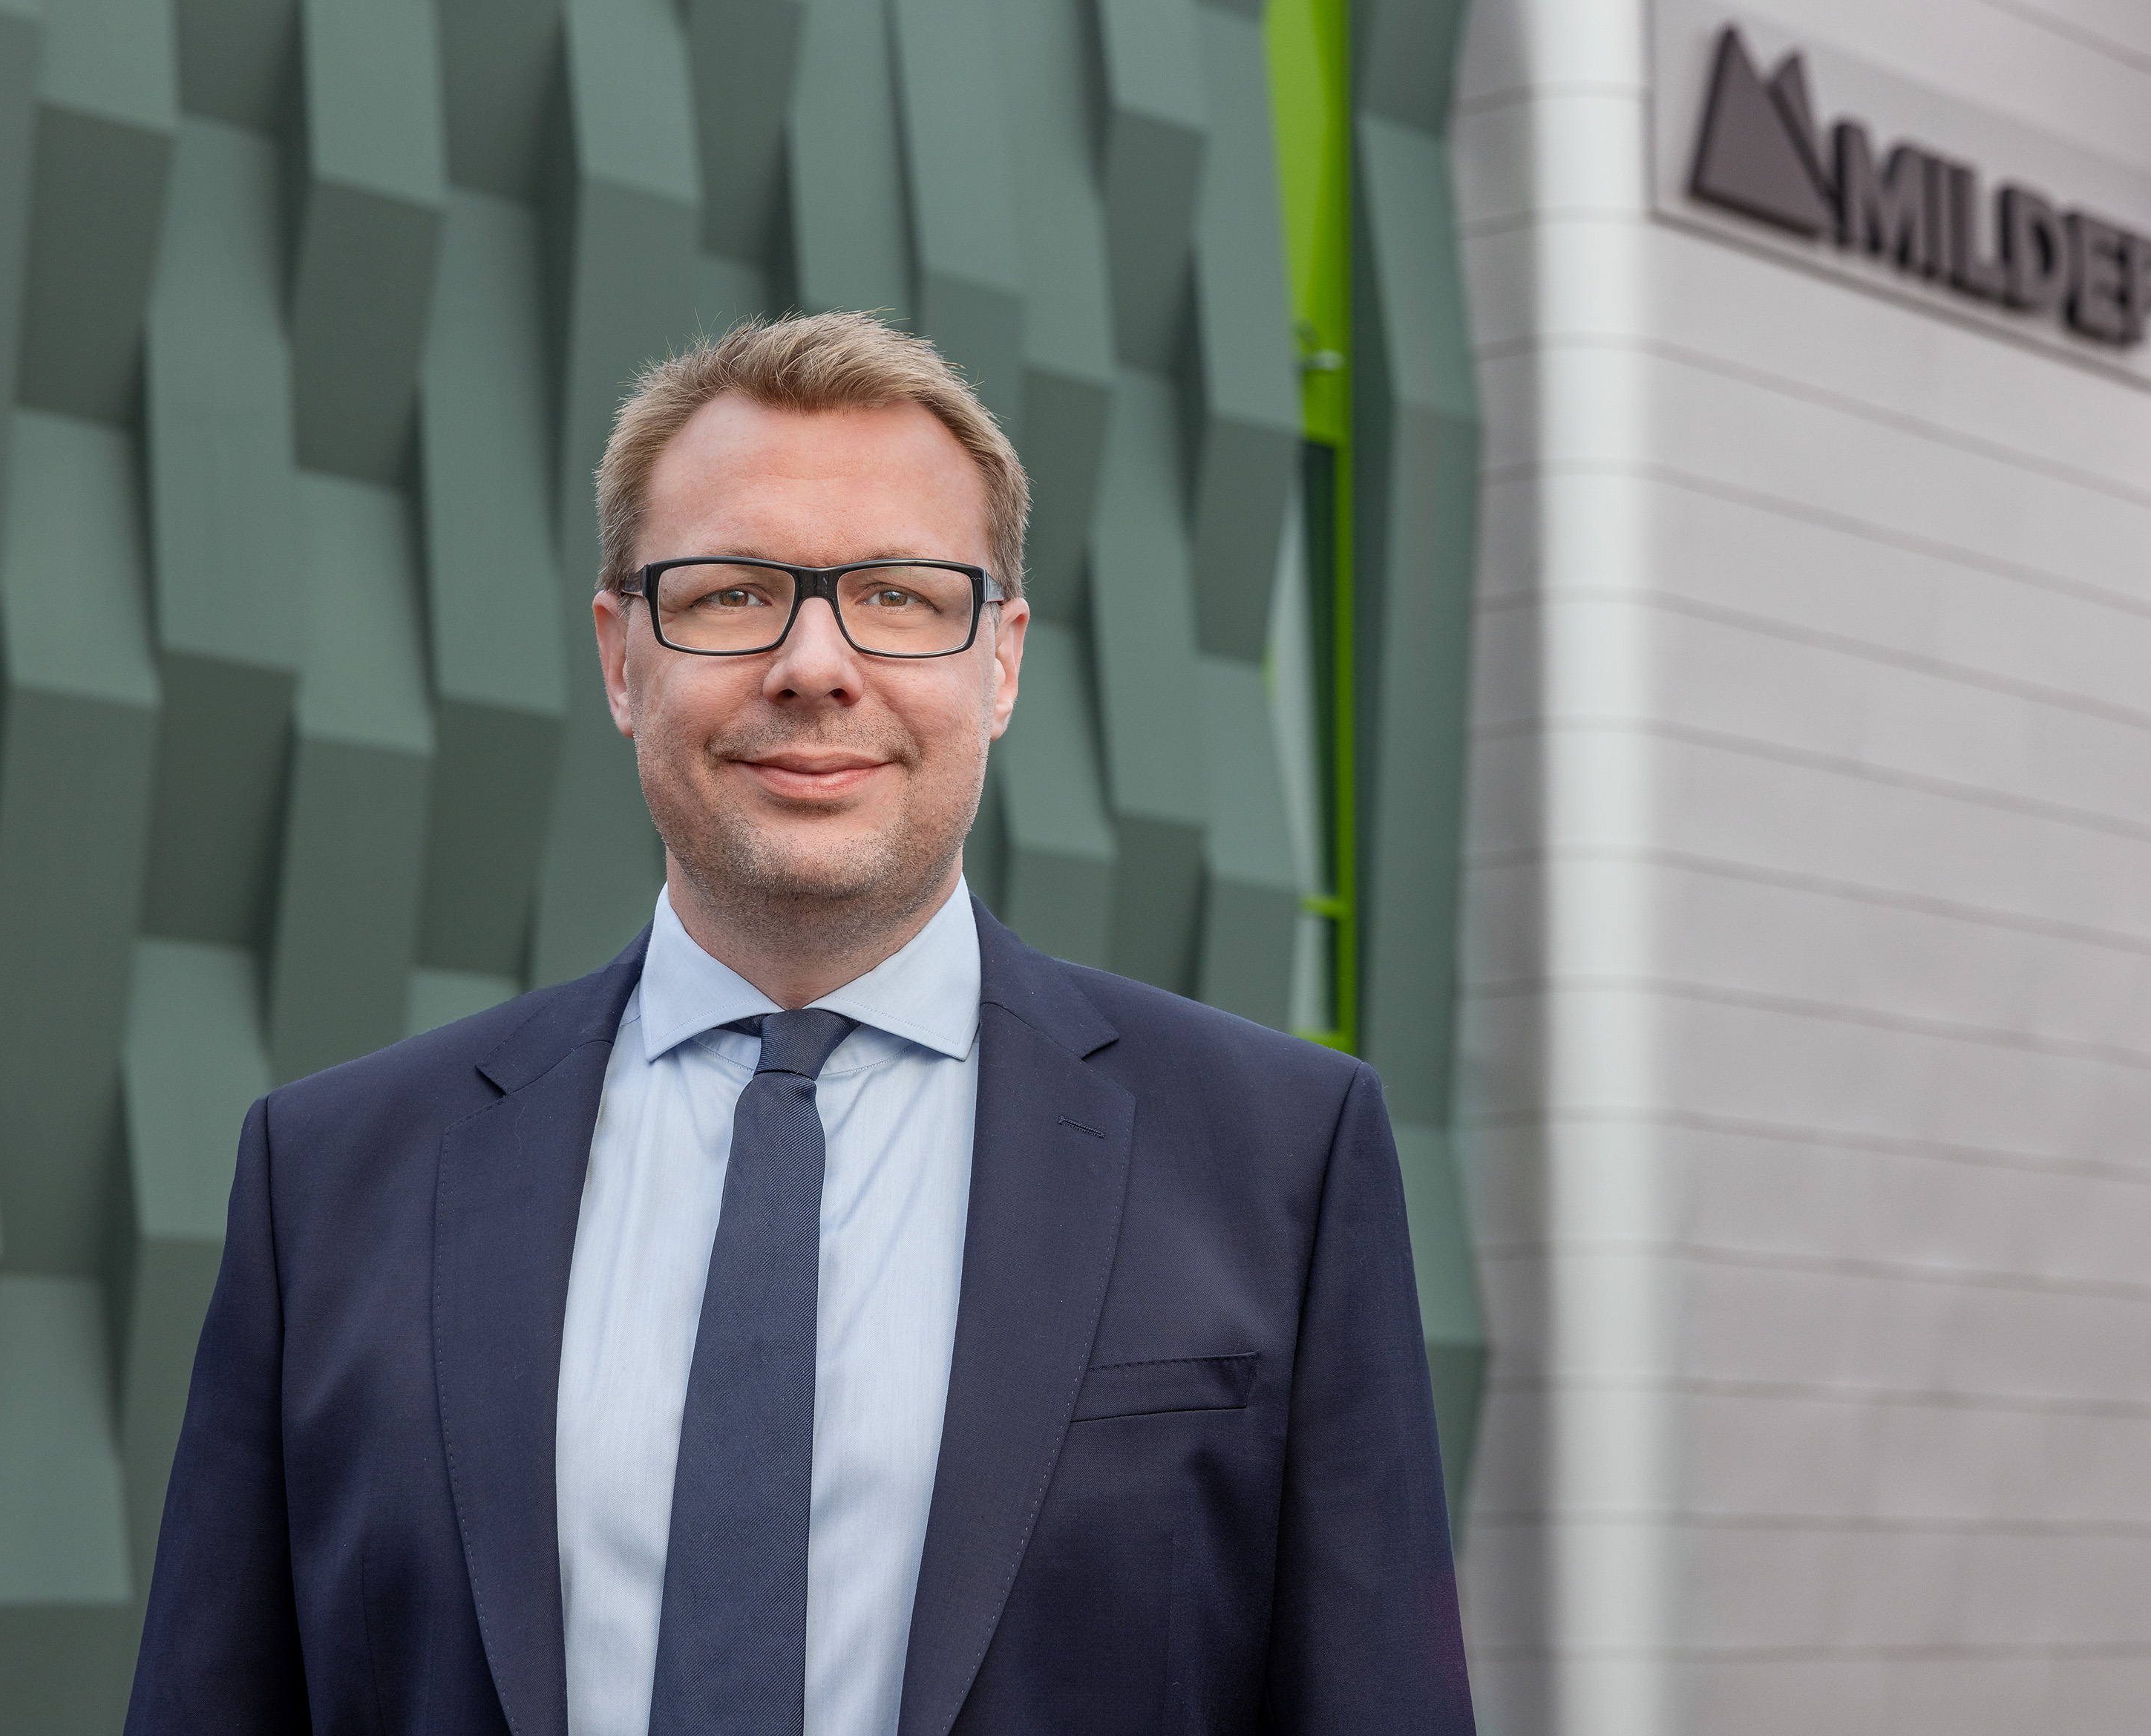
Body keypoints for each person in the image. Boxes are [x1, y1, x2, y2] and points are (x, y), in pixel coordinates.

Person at [125, 312, 1473, 1736]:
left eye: (898, 594)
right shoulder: (329, 1178)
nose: (814, 663)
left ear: (1001, 662)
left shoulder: (1280, 1158)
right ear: (621, 656)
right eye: (730, 593)